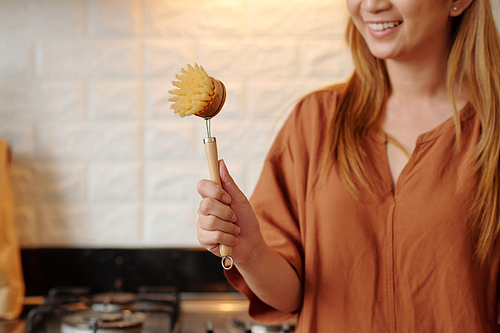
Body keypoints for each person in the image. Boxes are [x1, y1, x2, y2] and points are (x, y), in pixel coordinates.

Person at [196, 0, 500, 331]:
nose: (370, 4)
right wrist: (250, 250)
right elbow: (289, 297)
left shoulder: (493, 131)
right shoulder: (314, 122)